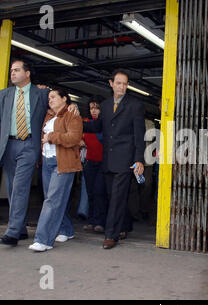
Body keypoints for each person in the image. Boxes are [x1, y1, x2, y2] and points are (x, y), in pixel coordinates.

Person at [0, 58, 78, 246]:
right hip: (9, 145)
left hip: (29, 144)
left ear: (27, 74)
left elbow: (58, 105)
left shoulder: (41, 94)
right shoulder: (3, 95)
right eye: (11, 70)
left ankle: (12, 232)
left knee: (20, 186)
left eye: (17, 70)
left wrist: (71, 106)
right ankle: (20, 229)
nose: (12, 73)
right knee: (12, 188)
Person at [83, 69, 145, 249]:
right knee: (113, 197)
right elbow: (97, 126)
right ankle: (124, 226)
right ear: (111, 84)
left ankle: (111, 235)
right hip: (108, 159)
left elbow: (138, 135)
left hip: (125, 160)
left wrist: (139, 159)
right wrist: (77, 121)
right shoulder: (105, 104)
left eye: (125, 84)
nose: (122, 87)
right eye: (118, 83)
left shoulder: (135, 105)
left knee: (117, 197)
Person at [28, 89, 82, 252]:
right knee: (55, 199)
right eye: (49, 97)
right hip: (47, 162)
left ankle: (43, 240)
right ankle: (66, 230)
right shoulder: (48, 115)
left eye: (53, 97)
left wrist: (51, 136)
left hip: (63, 163)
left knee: (52, 200)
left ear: (64, 99)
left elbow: (74, 138)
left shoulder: (72, 115)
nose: (50, 100)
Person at [82, 98, 108, 234]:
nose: (94, 110)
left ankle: (100, 222)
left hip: (103, 163)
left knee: (99, 192)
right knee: (90, 192)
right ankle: (92, 221)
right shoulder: (85, 123)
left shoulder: (104, 124)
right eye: (91, 108)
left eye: (97, 108)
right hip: (89, 162)